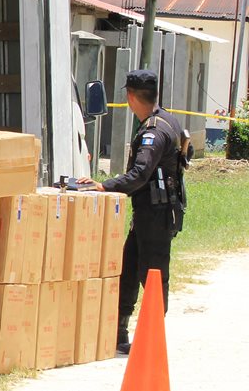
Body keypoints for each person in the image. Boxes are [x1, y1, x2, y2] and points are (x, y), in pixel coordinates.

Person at [79, 70, 187, 355]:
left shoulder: (154, 131)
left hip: (156, 214)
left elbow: (140, 174)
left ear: (129, 96)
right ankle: (119, 333)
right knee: (128, 271)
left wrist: (104, 186)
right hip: (150, 213)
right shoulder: (166, 119)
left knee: (152, 276)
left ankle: (152, 338)